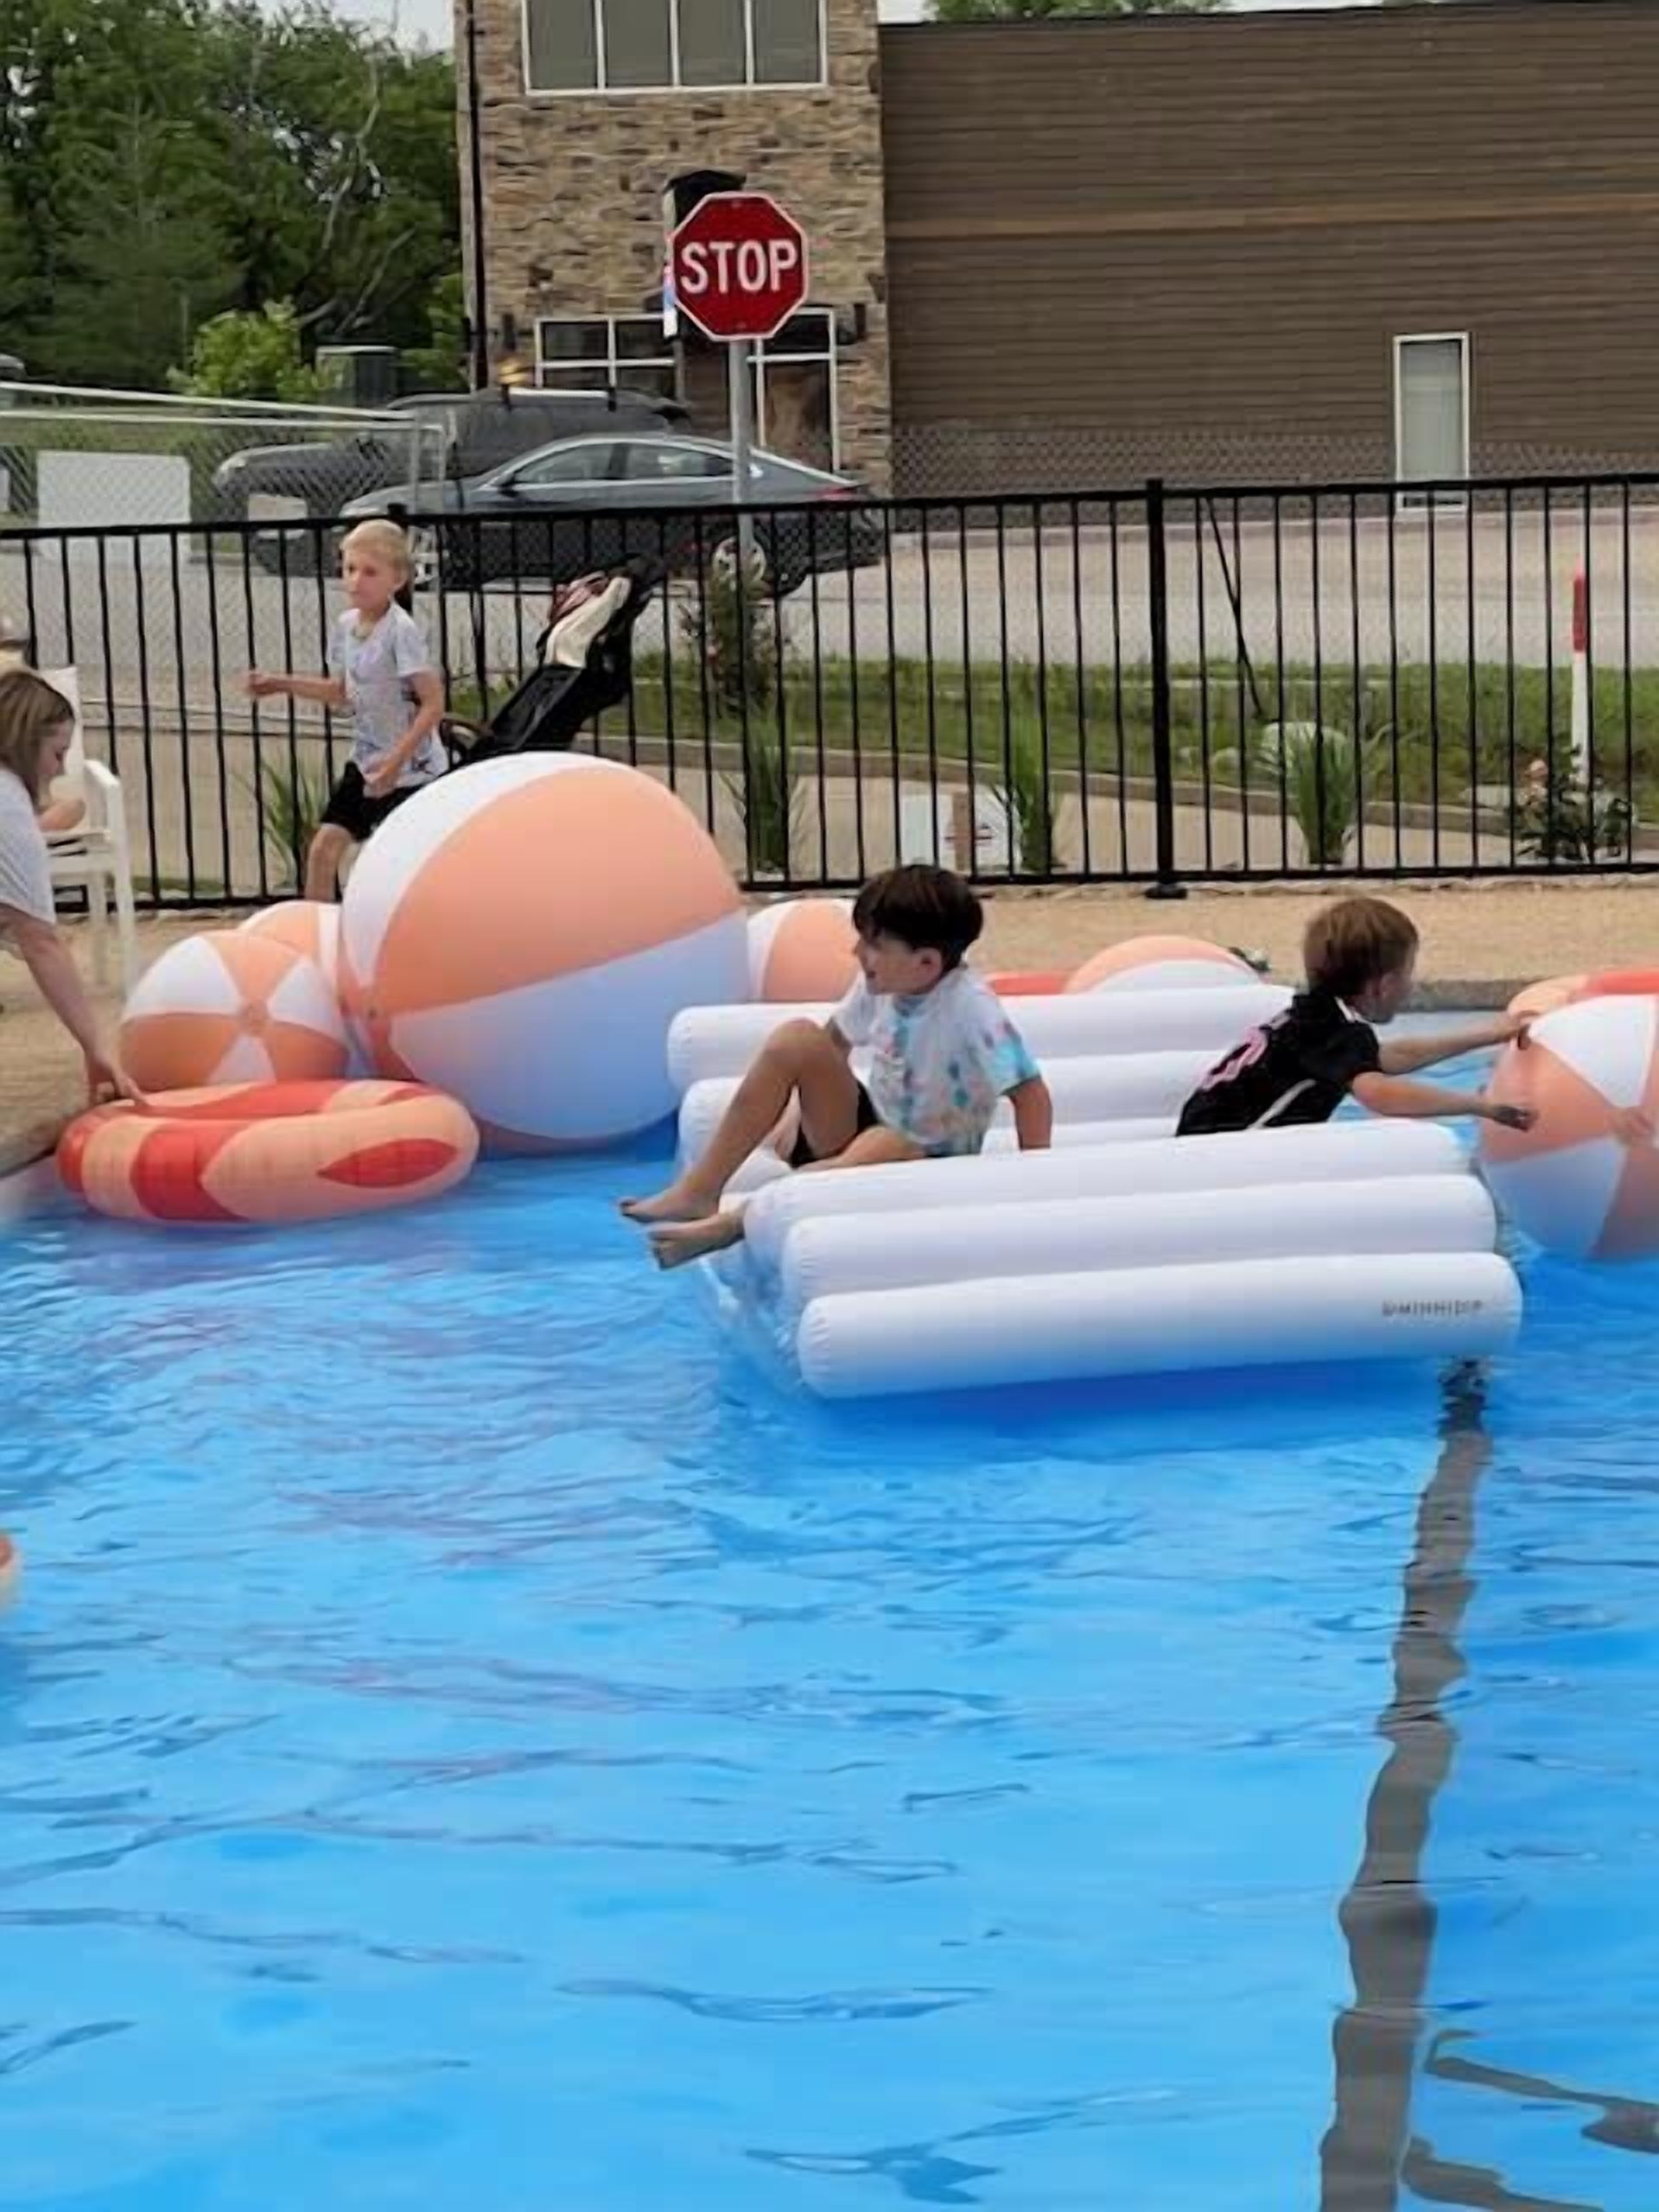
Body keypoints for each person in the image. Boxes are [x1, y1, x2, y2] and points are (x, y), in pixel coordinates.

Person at [623, 862, 1054, 1268]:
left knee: (889, 1141)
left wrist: (1031, 1183)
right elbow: (832, 1043)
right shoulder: (884, 980)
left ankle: (732, 1225)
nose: (857, 952)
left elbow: (1030, 1093)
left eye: (874, 945)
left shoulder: (970, 1008)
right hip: (858, 1126)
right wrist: (796, 1115)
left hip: (921, 1156)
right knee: (798, 1035)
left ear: (927, 963)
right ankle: (699, 1190)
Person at [1176, 895, 1537, 1137]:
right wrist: (1482, 1107)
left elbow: (1389, 1057)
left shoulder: (1316, 1016)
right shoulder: (1333, 1034)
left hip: (1204, 1133)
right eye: (1407, 975)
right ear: (1382, 986)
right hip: (1219, 1155)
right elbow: (1381, 1095)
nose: (1410, 985)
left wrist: (1490, 1034)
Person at [245, 519, 445, 902]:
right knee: (323, 850)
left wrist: (395, 762)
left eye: (370, 572)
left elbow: (433, 703)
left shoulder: (400, 631)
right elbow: (342, 692)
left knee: (400, 866)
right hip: (368, 762)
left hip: (412, 772)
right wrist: (279, 683)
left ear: (397, 579)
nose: (356, 580)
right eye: (350, 569)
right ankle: (319, 942)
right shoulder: (347, 627)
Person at [0, 666, 139, 1103]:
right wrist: (97, 1047)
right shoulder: (8, 808)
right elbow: (41, 942)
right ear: (25, 743)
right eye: (57, 755)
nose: (60, 771)